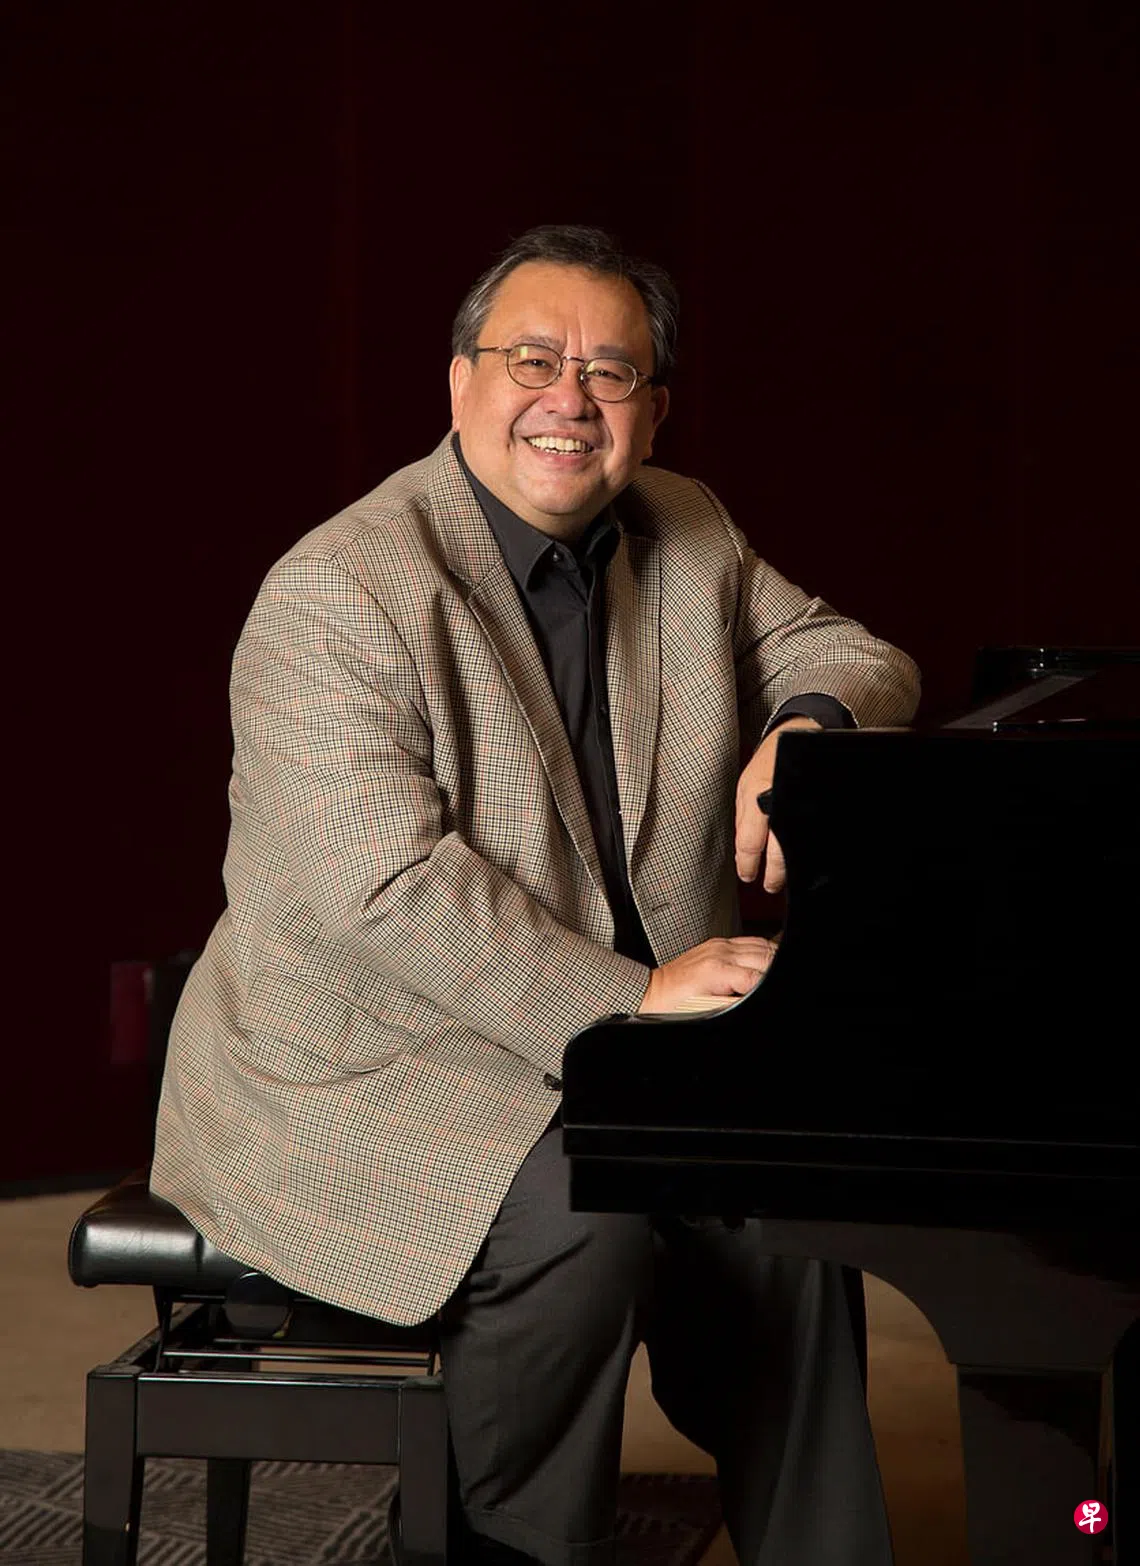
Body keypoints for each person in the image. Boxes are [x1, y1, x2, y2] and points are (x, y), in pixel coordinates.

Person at [152, 224, 920, 1566]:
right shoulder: (340, 587)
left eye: (610, 371)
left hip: (626, 1054)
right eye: (532, 360)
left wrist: (806, 723)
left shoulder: (686, 526)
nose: (569, 397)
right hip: (368, 1067)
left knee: (789, 1212)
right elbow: (381, 890)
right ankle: (508, 1549)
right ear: (459, 383)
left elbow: (860, 654)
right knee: (583, 1227)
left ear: (653, 410)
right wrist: (638, 994)